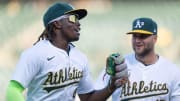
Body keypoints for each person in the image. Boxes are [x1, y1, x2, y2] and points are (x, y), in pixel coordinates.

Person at [6, 2, 128, 101]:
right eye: (73, 18)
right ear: (57, 23)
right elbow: (13, 91)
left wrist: (111, 86)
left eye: (78, 19)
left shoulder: (80, 58)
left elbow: (88, 98)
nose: (78, 24)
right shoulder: (35, 54)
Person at [95, 17, 180, 101]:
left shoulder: (172, 71)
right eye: (135, 36)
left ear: (155, 39)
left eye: (142, 36)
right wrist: (110, 87)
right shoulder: (118, 65)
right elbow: (93, 97)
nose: (137, 40)